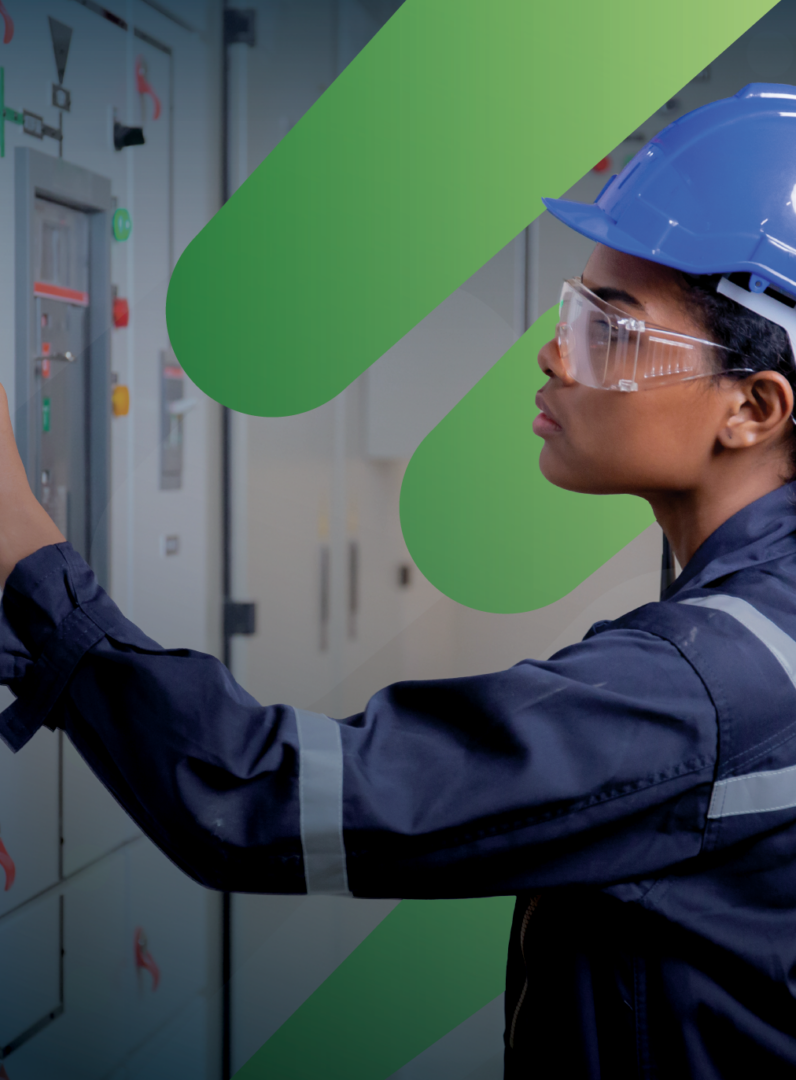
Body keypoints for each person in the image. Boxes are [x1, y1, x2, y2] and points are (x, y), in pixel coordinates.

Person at [1, 82, 796, 1078]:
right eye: (569, 309)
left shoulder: (710, 681)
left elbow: (254, 797)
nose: (554, 353)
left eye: (610, 330)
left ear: (754, 407)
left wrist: (20, 550)